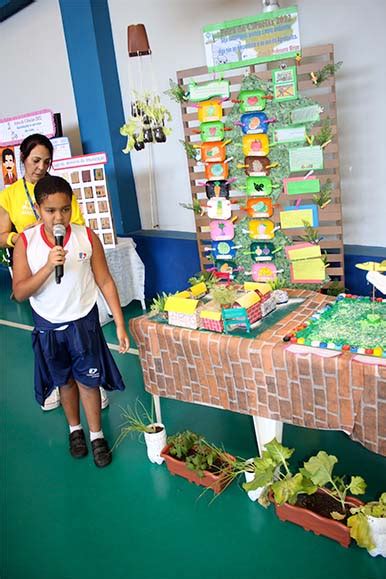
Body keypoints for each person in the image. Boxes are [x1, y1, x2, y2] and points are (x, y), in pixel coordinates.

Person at [12, 175, 130, 468]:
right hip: (49, 326)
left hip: (83, 323)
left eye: (64, 209)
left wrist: (119, 322)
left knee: (89, 382)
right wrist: (48, 266)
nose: (58, 217)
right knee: (64, 382)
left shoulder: (86, 236)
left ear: (71, 207)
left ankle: (96, 434)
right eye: (51, 210)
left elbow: (104, 280)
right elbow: (19, 291)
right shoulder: (26, 242)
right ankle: (74, 430)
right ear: (39, 208)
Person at [0, 133, 108, 411]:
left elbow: (78, 226)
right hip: (33, 272)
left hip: (67, 267)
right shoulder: (9, 195)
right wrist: (23, 238)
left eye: (47, 162)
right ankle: (56, 383)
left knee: (82, 331)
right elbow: (2, 236)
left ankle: (90, 383)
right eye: (36, 160)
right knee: (46, 331)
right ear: (22, 158)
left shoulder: (60, 191)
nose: (41, 167)